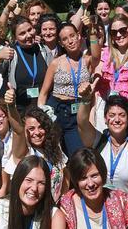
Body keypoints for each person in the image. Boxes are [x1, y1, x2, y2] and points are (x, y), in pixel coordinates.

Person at [77, 94, 128, 215]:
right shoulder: (99, 141)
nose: (117, 120)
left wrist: (119, 209)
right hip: (101, 206)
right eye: (112, 115)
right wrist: (86, 99)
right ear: (105, 119)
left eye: (122, 115)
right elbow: (82, 122)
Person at [37, 20, 99, 156]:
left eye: (72, 36)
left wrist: (92, 32)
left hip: (77, 113)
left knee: (77, 154)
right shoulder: (56, 63)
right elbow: (43, 93)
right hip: (57, 110)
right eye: (65, 39)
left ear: (78, 36)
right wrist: (43, 113)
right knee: (55, 155)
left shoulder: (87, 61)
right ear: (61, 43)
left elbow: (96, 56)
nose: (70, 41)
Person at [0, 16, 52, 114]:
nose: (28, 35)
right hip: (18, 110)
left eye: (30, 30)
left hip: (41, 109)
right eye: (22, 34)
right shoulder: (10, 52)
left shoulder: (44, 50)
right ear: (15, 37)